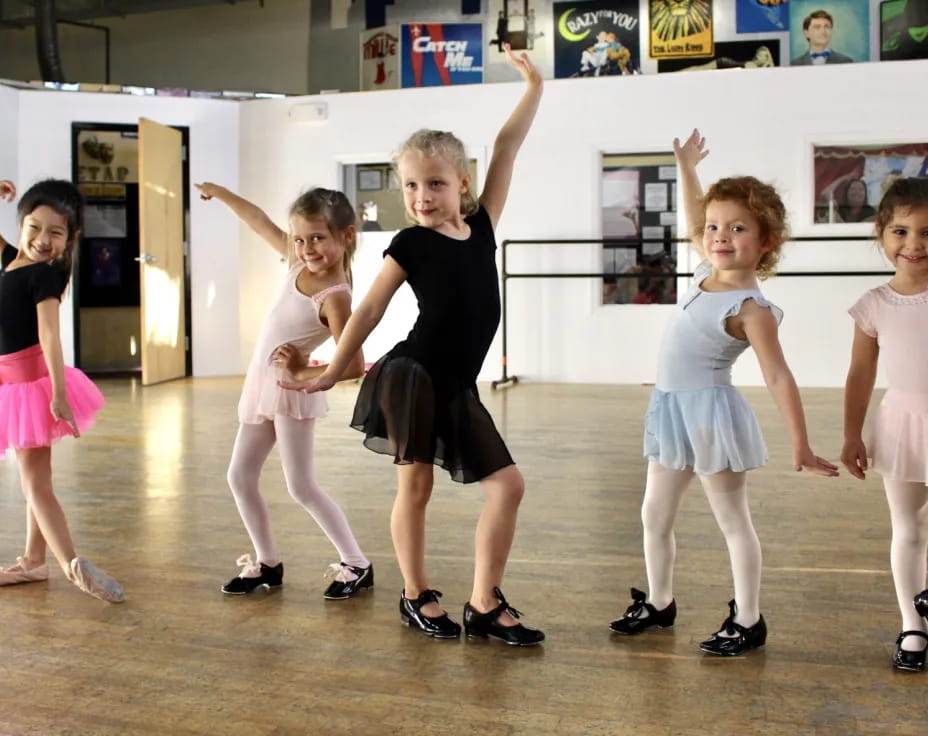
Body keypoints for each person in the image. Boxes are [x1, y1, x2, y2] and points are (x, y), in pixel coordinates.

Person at [281, 45, 545, 646]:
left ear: (463, 183)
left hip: (456, 382)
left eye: (435, 183)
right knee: (416, 486)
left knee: (508, 485)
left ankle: (483, 602)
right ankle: (415, 594)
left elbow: (507, 146)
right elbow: (369, 309)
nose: (422, 196)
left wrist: (532, 88)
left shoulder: (481, 226)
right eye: (410, 185)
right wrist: (331, 371)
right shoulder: (410, 242)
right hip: (415, 375)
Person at [609, 129, 838, 656]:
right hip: (671, 410)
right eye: (716, 227)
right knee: (653, 514)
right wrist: (686, 167)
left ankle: (749, 618)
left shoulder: (750, 308)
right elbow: (696, 213)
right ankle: (661, 602)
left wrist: (800, 443)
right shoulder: (705, 269)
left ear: (765, 242)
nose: (719, 236)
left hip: (710, 416)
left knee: (733, 522)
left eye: (737, 228)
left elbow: (779, 375)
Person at [195, 182, 372, 600]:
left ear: (346, 236)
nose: (307, 248)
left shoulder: (335, 295)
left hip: (291, 391)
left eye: (318, 238)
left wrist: (301, 371)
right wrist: (219, 193)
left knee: (301, 486)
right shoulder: (297, 264)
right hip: (264, 385)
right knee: (239, 476)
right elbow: (258, 219)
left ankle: (357, 564)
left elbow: (355, 364)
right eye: (299, 239)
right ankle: (268, 563)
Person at [0, 178, 123, 603]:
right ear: (20, 225)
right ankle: (34, 562)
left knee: (36, 486)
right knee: (36, 480)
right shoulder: (10, 261)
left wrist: (58, 393)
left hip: (30, 389)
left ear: (69, 239)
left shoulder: (43, 278)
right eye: (34, 228)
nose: (42, 239)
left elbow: (50, 338)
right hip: (11, 386)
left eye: (56, 233)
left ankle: (72, 566)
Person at [841, 177, 928, 671]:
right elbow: (859, 373)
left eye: (927, 233)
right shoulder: (874, 304)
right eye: (901, 231)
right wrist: (853, 433)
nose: (913, 244)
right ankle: (912, 626)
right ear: (882, 235)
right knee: (908, 528)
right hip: (901, 426)